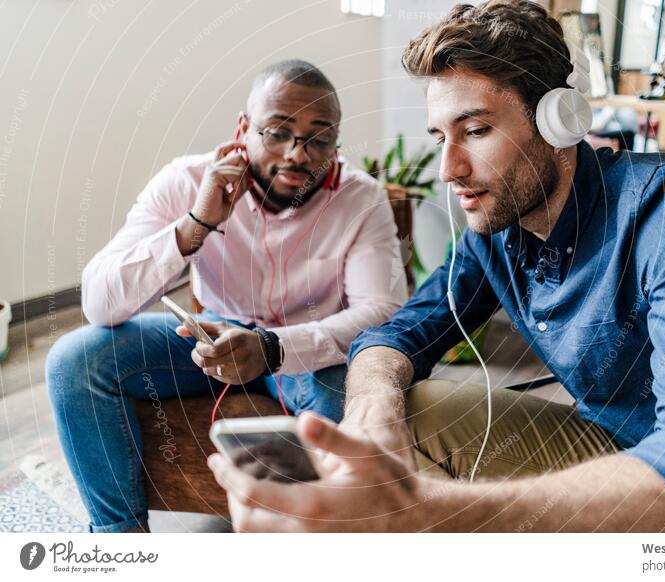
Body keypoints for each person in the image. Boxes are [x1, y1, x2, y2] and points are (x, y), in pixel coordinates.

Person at [208, 1, 665, 533]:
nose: (449, 168)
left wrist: (432, 515)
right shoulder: (497, 228)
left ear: (559, 120)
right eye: (441, 136)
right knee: (408, 407)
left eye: (477, 131)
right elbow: (399, 331)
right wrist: (373, 409)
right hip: (617, 448)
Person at [46, 60, 407, 533]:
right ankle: (121, 544)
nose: (298, 155)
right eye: (277, 132)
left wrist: (272, 347)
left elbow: (382, 312)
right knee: (74, 360)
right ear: (243, 129)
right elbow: (99, 300)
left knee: (347, 406)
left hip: (311, 352)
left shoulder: (361, 198)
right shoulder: (187, 180)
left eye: (319, 139)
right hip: (208, 336)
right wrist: (196, 223)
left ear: (336, 142)